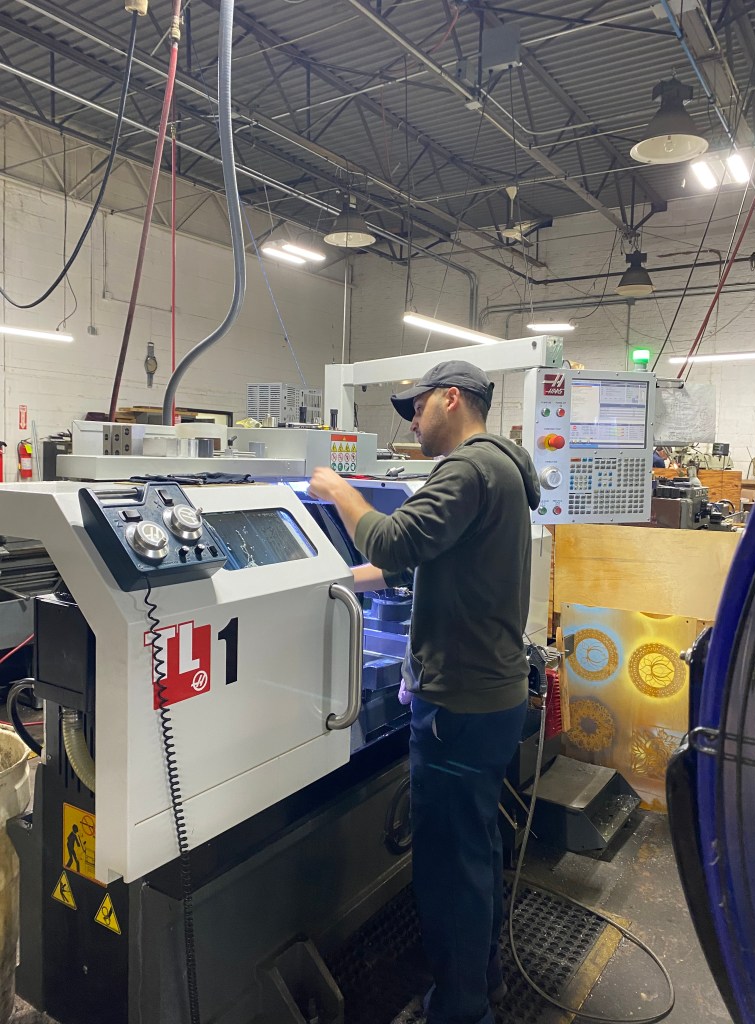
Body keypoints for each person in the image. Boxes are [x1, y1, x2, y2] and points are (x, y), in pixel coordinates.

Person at [308, 360, 541, 1024]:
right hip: (491, 696)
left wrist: (338, 489)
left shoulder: (466, 469)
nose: (412, 419)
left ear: (452, 398)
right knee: (475, 849)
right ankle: (485, 982)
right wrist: (380, 577)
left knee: (447, 870)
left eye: (418, 406)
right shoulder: (504, 469)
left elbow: (394, 535)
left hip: (458, 704)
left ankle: (461, 1011)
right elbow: (446, 559)